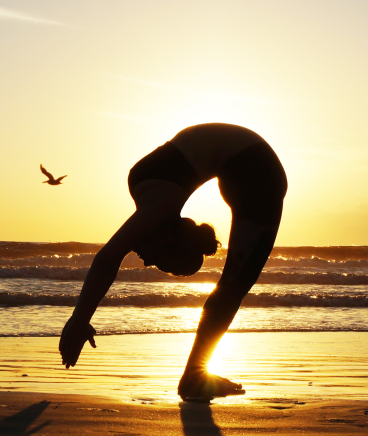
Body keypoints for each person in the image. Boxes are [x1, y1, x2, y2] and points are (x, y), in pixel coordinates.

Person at [59, 123, 288, 401]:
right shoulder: (156, 202)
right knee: (233, 286)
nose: (146, 263)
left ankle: (195, 376)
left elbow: (108, 258)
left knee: (233, 286)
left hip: (256, 165)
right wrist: (80, 319)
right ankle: (195, 376)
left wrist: (79, 320)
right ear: (169, 236)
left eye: (157, 262)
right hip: (255, 164)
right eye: (158, 262)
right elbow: (109, 257)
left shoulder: (156, 200)